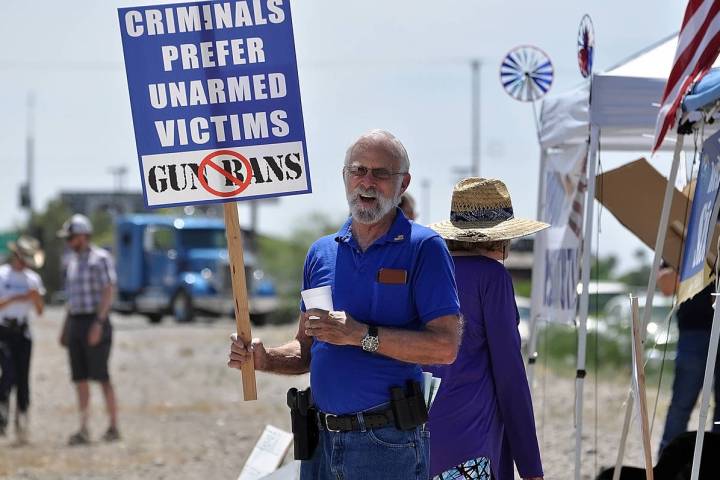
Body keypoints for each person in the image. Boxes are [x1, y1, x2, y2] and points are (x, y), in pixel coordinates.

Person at [228, 129, 462, 479]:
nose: (367, 182)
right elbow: (307, 349)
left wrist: (360, 335)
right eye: (358, 170)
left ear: (403, 183)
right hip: (319, 441)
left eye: (381, 173)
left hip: (386, 443)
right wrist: (265, 358)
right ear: (344, 177)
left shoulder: (424, 248)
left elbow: (445, 347)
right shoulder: (321, 253)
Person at [426, 178, 547, 480]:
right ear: (499, 239)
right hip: (469, 444)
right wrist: (530, 466)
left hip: (418, 440)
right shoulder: (491, 277)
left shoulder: (426, 271)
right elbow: (510, 376)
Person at [57, 214, 120, 445]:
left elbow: (108, 291)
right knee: (80, 378)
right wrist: (65, 327)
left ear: (83, 236)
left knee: (102, 376)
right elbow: (71, 298)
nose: (69, 242)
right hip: (75, 321)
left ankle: (113, 426)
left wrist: (99, 323)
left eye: (71, 237)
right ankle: (83, 428)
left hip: (95, 322)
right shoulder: (71, 262)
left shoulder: (100, 258)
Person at [657, 265, 720, 453]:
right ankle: (667, 466)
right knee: (681, 405)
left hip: (695, 335)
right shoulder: (687, 239)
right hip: (694, 331)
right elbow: (666, 287)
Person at [0, 235, 45, 444]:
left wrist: (35, 299)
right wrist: (17, 298)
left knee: (23, 378)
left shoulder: (33, 279)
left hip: (23, 332)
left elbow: (40, 311)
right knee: (7, 374)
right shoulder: (2, 275)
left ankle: (22, 421)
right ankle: (2, 417)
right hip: (4, 331)